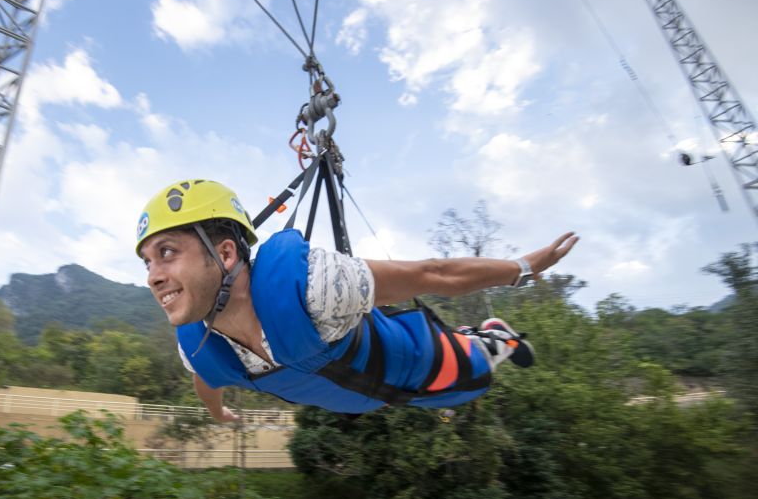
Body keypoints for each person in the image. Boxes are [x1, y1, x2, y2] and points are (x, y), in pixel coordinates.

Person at [136, 179, 578, 422]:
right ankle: (480, 339)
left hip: (417, 363)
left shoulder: (315, 286)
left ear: (226, 253)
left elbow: (432, 274)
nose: (154, 276)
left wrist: (523, 269)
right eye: (148, 262)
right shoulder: (195, 344)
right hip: (371, 400)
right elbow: (205, 381)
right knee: (436, 394)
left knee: (474, 376)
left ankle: (496, 338)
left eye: (168, 253)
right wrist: (218, 414)